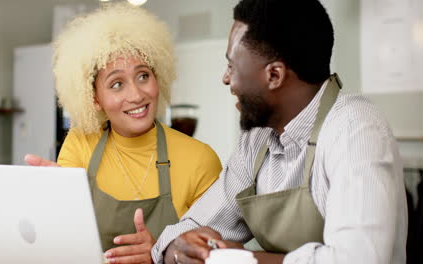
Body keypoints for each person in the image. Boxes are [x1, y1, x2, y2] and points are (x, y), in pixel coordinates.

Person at [151, 0, 408, 263]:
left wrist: (247, 259)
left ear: (274, 75)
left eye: (232, 67)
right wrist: (177, 247)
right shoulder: (257, 140)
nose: (226, 79)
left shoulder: (356, 130)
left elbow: (358, 259)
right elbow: (192, 226)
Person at [24, 3, 222, 264]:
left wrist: (162, 253)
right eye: (117, 84)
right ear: (94, 98)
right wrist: (51, 203)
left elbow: (215, 253)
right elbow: (64, 238)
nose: (136, 95)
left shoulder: (200, 159)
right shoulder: (81, 142)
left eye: (143, 76)